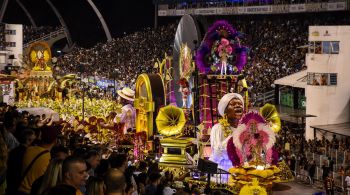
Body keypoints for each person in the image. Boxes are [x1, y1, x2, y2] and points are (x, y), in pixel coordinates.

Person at [18, 126, 60, 194]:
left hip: (19, 189)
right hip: (31, 192)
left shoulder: (29, 149)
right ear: (55, 140)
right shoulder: (48, 158)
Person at [209, 93, 244, 171]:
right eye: (233, 104)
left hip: (241, 173)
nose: (238, 106)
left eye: (240, 104)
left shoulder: (244, 129)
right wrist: (232, 137)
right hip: (223, 173)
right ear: (225, 111)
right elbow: (216, 155)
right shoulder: (218, 128)